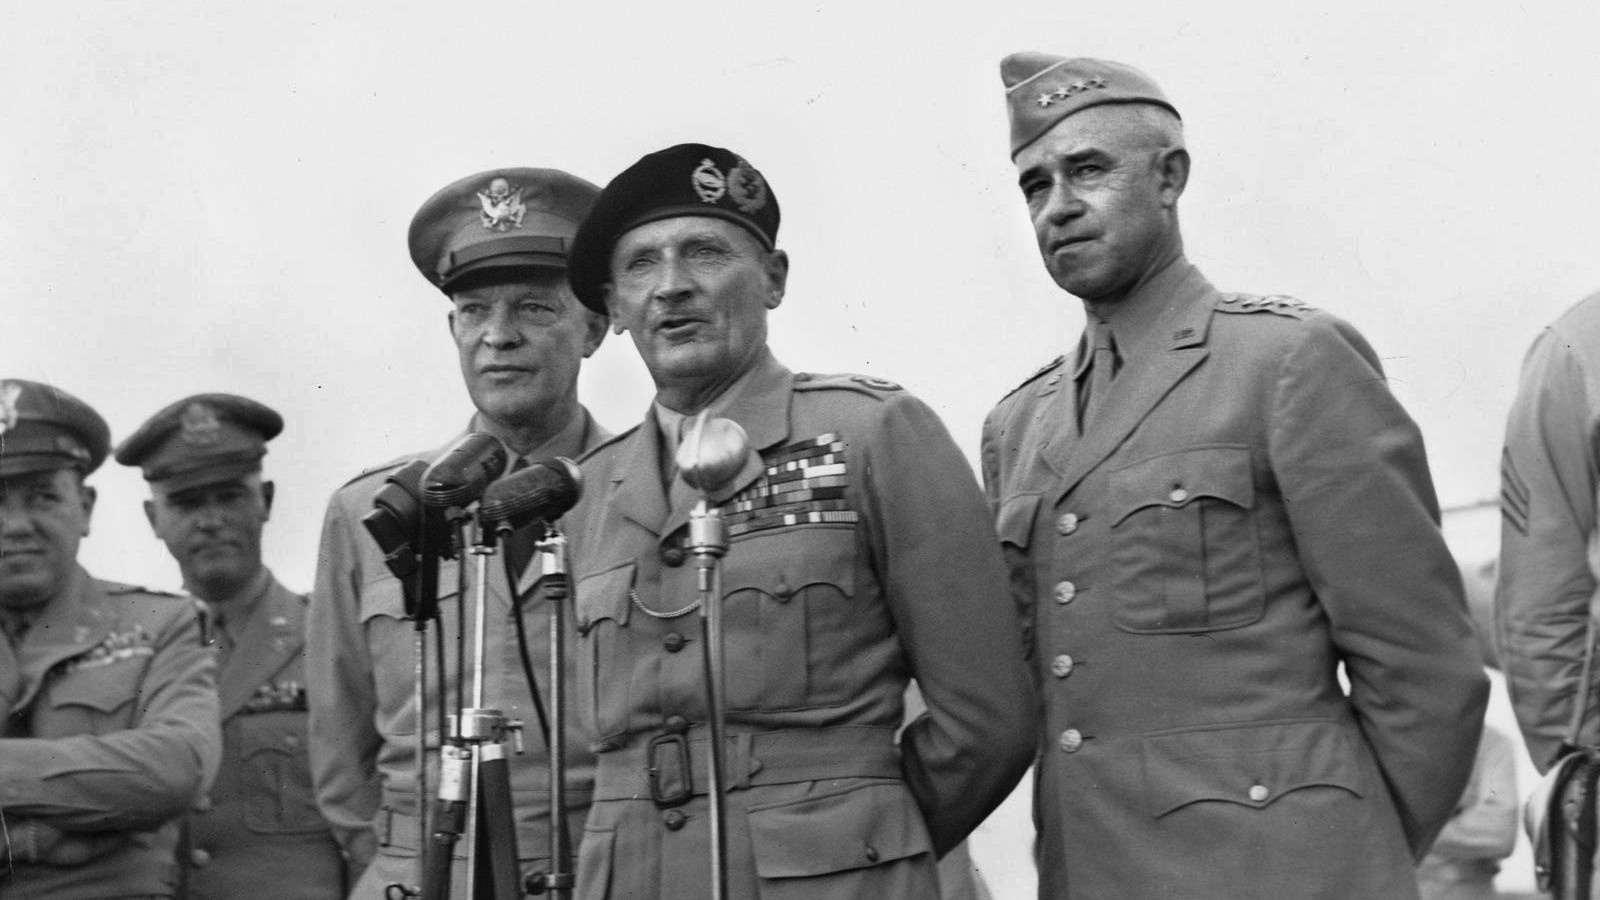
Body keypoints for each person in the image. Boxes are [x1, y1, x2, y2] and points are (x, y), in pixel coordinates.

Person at [981, 54, 1489, 899]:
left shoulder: (1287, 361)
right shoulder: (1018, 426)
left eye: (1089, 170)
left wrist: (1348, 857)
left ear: (1169, 177)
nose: (1058, 205)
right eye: (1035, 185)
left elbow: (1425, 664)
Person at [561, 142, 1036, 900]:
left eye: (705, 252)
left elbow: (988, 724)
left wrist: (867, 845)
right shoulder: (588, 492)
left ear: (774, 280)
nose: (672, 285)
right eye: (642, 265)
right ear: (615, 308)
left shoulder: (873, 433)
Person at [307, 167, 610, 898]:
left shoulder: (638, 491)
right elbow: (341, 761)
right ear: (453, 330)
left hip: (594, 870)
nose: (499, 336)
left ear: (595, 328)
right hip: (417, 874)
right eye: (474, 311)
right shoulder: (369, 510)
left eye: (534, 307)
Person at [115, 393, 345, 899]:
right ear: (153, 518)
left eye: (230, 496)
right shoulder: (126, 657)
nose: (211, 519)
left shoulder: (331, 640)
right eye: (187, 503)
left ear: (266, 500)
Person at [0, 378, 220, 898]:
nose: (16, 525)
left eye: (43, 497)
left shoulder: (162, 623)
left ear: (86, 507)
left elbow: (177, 770)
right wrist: (35, 839)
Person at [1498, 291, 1600, 772]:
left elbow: (1541, 610)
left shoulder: (1576, 347)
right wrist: (1577, 770)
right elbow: (1543, 604)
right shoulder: (1577, 349)